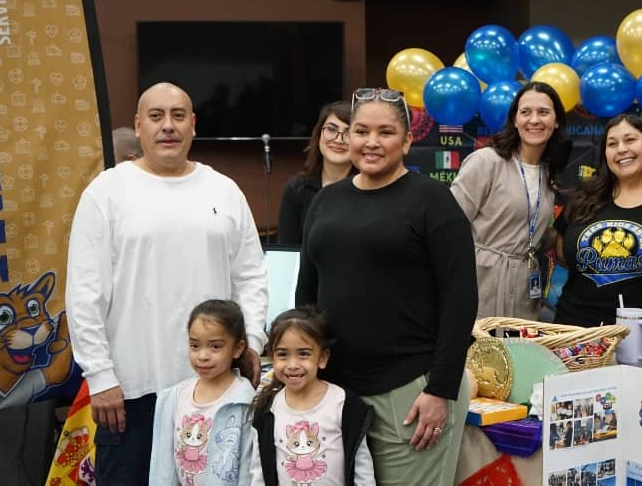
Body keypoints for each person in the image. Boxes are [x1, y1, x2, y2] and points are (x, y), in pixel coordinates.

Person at [66, 82, 267, 485]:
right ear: (139, 126)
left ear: (193, 124)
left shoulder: (224, 190)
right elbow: (84, 294)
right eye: (156, 117)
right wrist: (100, 377)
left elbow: (251, 277)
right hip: (130, 391)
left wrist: (254, 344)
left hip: (215, 389)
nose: (168, 126)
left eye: (178, 116)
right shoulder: (105, 193)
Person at [296, 87, 477, 485]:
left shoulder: (434, 202)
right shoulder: (326, 202)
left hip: (412, 391)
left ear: (408, 140)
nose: (371, 142)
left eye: (385, 132)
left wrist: (440, 389)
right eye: (361, 131)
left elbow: (460, 300)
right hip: (337, 391)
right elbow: (306, 299)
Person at [554, 114, 642, 351]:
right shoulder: (583, 199)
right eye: (612, 144)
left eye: (630, 140)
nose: (621, 149)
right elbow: (562, 253)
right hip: (574, 342)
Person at [450, 81, 570, 320]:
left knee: (519, 353)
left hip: (525, 287)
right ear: (515, 120)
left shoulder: (548, 175)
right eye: (525, 112)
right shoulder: (486, 162)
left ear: (556, 121)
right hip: (480, 284)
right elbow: (448, 227)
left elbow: (536, 233)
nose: (534, 120)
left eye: (543, 112)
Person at [251, 307, 374, 486]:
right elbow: (258, 470)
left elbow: (363, 469)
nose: (292, 364)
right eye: (283, 354)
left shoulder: (344, 405)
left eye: (303, 354)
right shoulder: (267, 410)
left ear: (323, 358)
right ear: (272, 357)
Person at [150, 300, 261, 485]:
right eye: (195, 346)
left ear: (238, 348)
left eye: (215, 346)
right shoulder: (173, 398)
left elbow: (249, 471)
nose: (202, 356)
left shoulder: (245, 402)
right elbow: (163, 469)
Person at [277, 101, 355, 245]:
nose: (338, 139)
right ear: (319, 134)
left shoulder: (368, 189)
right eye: (331, 129)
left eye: (348, 133)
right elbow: (288, 252)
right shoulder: (296, 189)